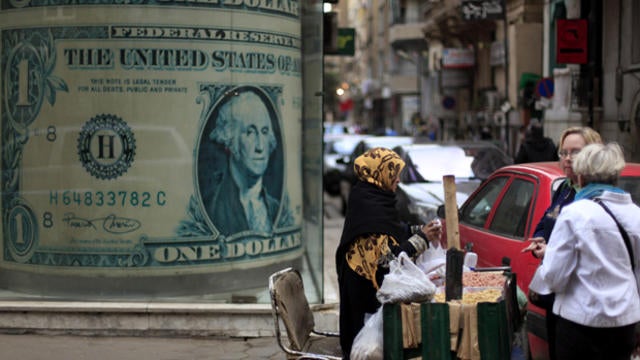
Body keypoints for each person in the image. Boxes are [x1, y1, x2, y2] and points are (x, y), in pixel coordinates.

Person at [528, 142, 640, 360]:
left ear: (581, 177)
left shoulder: (575, 213)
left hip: (580, 324)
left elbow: (554, 277)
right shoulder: (636, 214)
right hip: (625, 324)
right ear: (616, 175)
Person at [335, 147, 442, 359]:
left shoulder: (373, 198)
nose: (399, 180)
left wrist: (418, 231)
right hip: (366, 301)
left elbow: (392, 229)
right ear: (381, 174)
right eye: (394, 174)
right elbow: (386, 261)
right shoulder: (369, 204)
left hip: (368, 292)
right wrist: (421, 240)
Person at [521, 126, 602, 360]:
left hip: (585, 301)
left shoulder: (594, 195)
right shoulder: (565, 188)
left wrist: (552, 251)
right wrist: (541, 241)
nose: (567, 158)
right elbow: (545, 223)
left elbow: (593, 251)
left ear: (592, 154)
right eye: (563, 152)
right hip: (557, 296)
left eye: (575, 152)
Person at [206, 90, 281, 236]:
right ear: (230, 140)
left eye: (264, 132)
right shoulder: (212, 208)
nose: (260, 147)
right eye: (250, 132)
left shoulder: (276, 208)